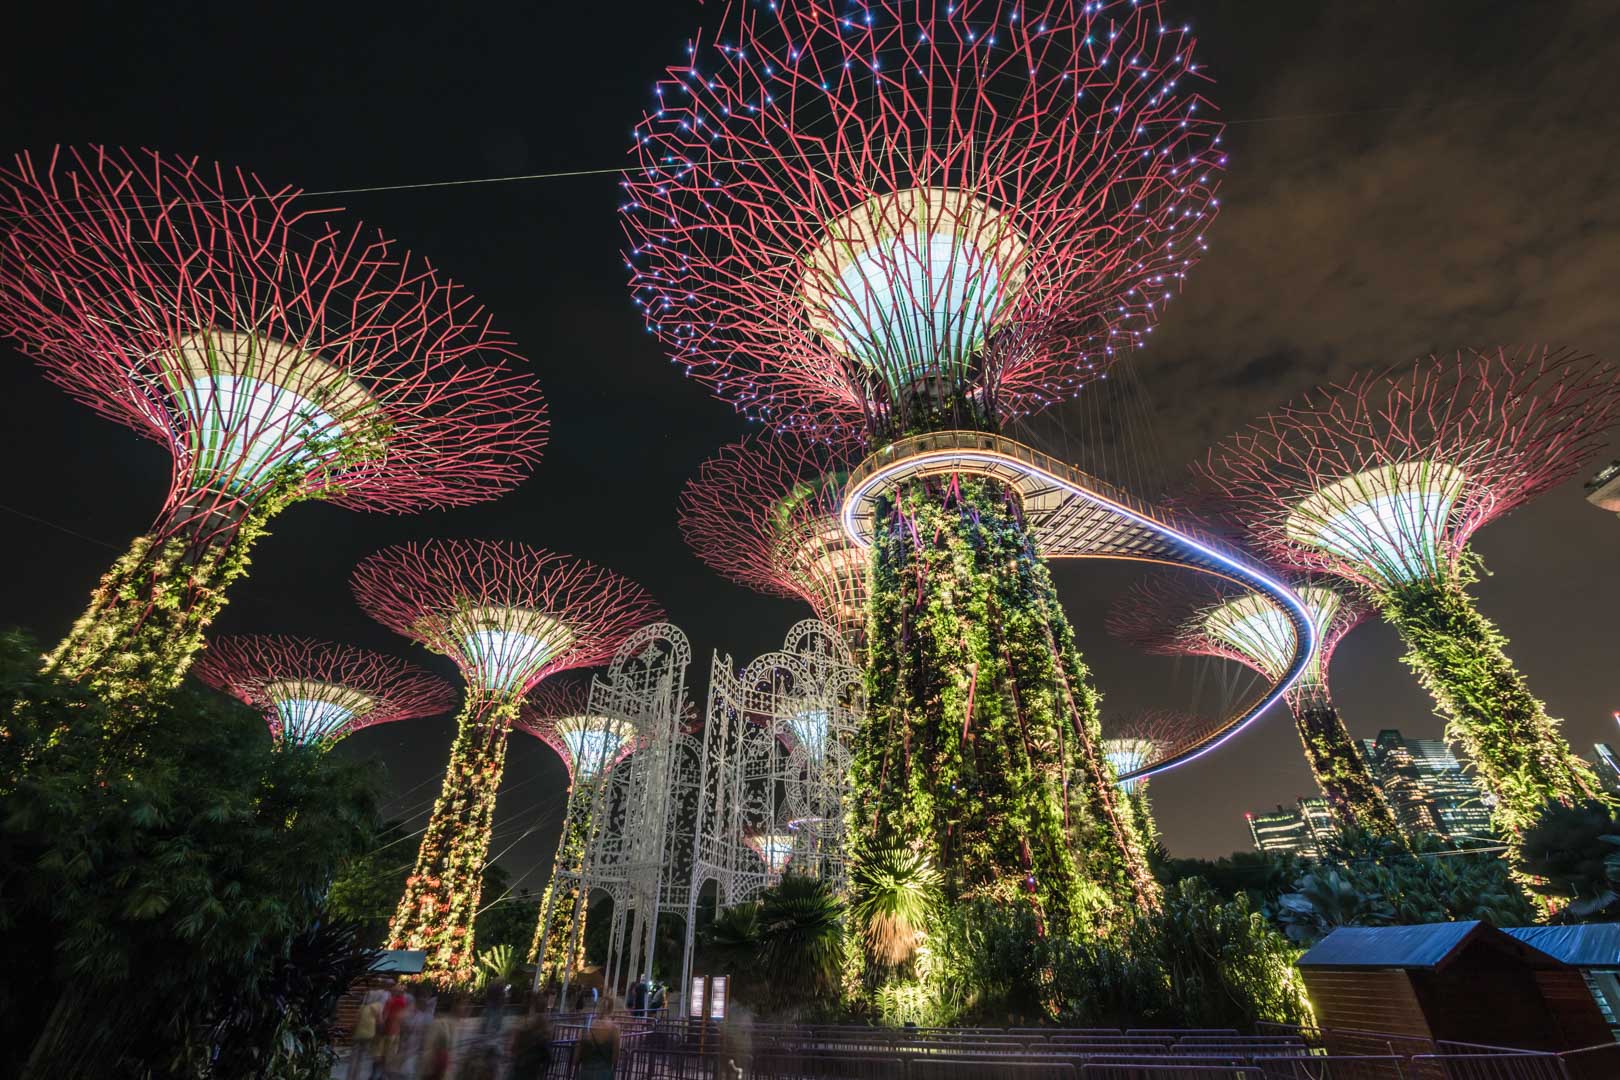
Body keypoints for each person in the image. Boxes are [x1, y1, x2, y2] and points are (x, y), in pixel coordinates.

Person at [420, 994, 470, 1080]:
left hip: (447, 1071)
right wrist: (428, 1070)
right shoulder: (440, 1023)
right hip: (436, 1071)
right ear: (454, 1006)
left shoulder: (459, 1025)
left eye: (466, 1004)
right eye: (462, 1004)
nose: (465, 1008)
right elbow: (428, 1048)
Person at [570, 994, 621, 1080]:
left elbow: (576, 1058)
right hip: (604, 1074)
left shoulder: (586, 1028)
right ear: (611, 1009)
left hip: (585, 1073)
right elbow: (615, 1059)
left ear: (597, 1008)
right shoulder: (614, 1029)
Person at [509, 998, 556, 1078]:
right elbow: (549, 1057)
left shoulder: (524, 1026)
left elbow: (513, 1048)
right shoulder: (542, 1028)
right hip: (529, 1069)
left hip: (522, 1068)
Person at [347, 984, 385, 1080]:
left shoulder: (363, 1006)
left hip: (358, 1034)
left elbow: (356, 1020)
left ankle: (352, 1076)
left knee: (355, 1056)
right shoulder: (378, 1006)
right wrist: (380, 1034)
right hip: (369, 1034)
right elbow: (380, 1021)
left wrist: (352, 1030)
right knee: (364, 1057)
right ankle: (360, 1076)